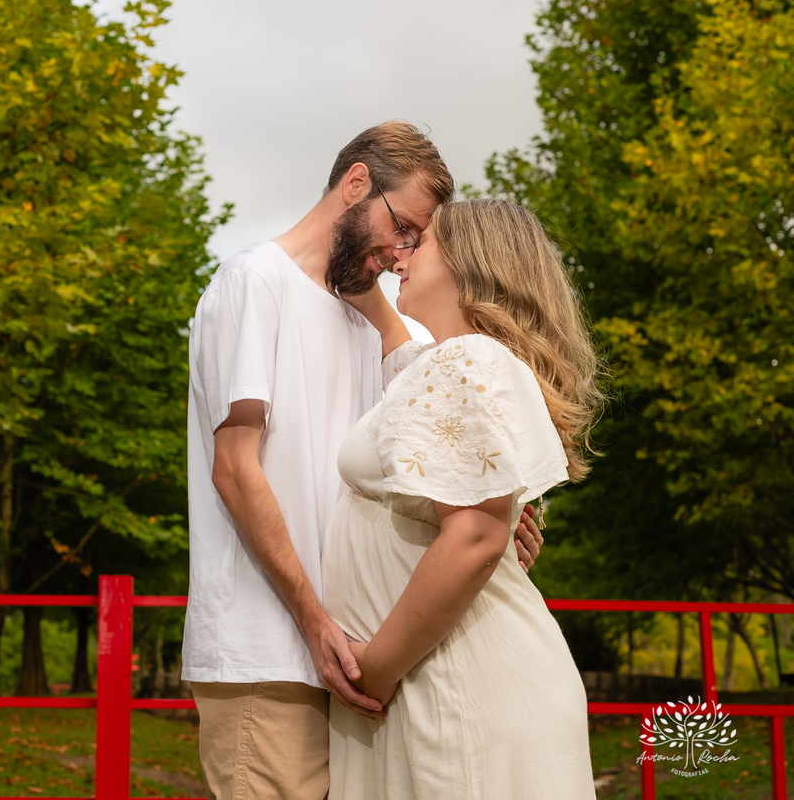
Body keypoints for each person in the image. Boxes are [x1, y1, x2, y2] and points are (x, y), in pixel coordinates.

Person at [182, 122, 544, 800]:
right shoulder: (253, 281)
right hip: (272, 657)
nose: (402, 249)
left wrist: (501, 527)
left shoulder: (370, 322)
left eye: (416, 238)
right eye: (400, 224)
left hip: (355, 667)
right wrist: (315, 621)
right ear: (355, 183)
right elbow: (234, 469)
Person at [323, 198, 602, 799]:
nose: (402, 253)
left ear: (470, 265)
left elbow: (476, 537)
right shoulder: (450, 365)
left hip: (450, 689)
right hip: (436, 681)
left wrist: (373, 670)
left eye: (420, 243)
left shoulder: (466, 361)